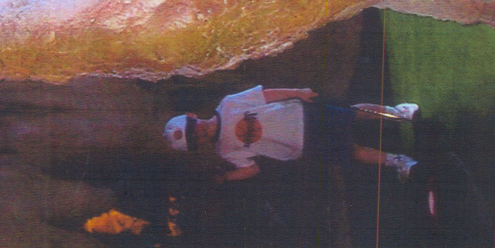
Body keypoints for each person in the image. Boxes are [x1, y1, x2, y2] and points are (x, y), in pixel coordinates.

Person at [162, 84, 422, 182]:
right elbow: (251, 169)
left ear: (192, 116)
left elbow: (266, 95)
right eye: (194, 140)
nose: (199, 134)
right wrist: (228, 177)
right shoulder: (225, 150)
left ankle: (398, 113)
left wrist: (297, 92)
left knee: (353, 113)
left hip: (301, 114)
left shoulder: (229, 104)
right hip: (300, 145)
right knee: (352, 152)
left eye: (193, 129)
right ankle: (399, 161)